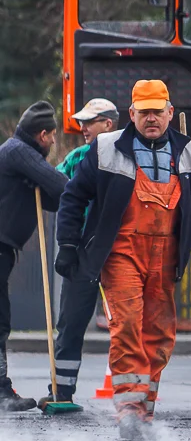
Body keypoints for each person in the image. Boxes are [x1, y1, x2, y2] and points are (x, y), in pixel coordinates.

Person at [55, 80, 191, 439]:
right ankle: (128, 407)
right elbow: (72, 196)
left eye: (158, 111)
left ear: (170, 113)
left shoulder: (187, 151)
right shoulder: (106, 147)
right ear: (132, 114)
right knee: (127, 324)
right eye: (144, 112)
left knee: (159, 334)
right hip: (121, 252)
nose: (152, 118)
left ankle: (145, 410)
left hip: (166, 254)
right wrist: (68, 244)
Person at [38, 99, 118, 411]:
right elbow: (52, 185)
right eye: (81, 122)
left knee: (81, 323)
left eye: (90, 122)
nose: (82, 128)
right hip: (85, 249)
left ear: (108, 124)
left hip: (108, 249)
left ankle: (64, 393)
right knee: (72, 322)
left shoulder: (117, 154)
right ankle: (62, 391)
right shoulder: (78, 156)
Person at [0, 102, 68, 411]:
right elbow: (60, 185)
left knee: (1, 319)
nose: (54, 142)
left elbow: (52, 200)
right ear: (41, 134)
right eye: (52, 135)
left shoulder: (22, 155)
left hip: (4, 247)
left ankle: (1, 390)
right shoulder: (19, 151)